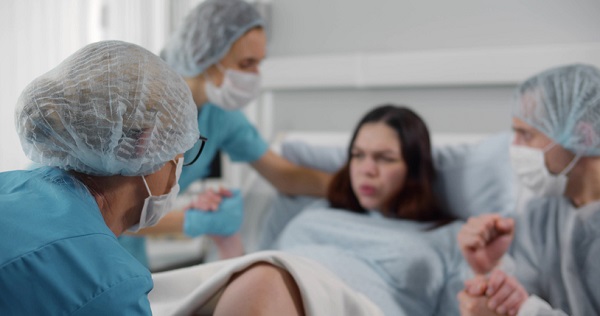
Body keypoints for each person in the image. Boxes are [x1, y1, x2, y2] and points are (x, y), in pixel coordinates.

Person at [150, 105, 470, 315]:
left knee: (266, 280)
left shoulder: (451, 236)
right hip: (265, 294)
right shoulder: (317, 211)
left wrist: (484, 271)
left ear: (415, 167)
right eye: (358, 156)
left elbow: (473, 305)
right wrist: (226, 238)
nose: (366, 169)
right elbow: (250, 271)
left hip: (336, 302)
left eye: (384, 158)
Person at [120, 0, 332, 265]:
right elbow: (113, 211)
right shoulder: (139, 106)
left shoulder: (218, 115)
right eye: (246, 64)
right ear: (205, 55)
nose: (256, 75)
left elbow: (284, 175)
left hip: (129, 259)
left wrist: (350, 189)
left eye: (259, 63)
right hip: (83, 251)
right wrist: (196, 220)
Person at [0, 40, 200, 314]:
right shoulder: (109, 288)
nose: (178, 169)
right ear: (145, 145)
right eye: (179, 153)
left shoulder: (8, 186)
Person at [456, 64, 600, 316]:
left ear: (585, 136)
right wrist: (490, 271)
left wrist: (525, 312)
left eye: (526, 135)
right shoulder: (542, 214)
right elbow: (525, 294)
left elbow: (527, 307)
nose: (515, 147)